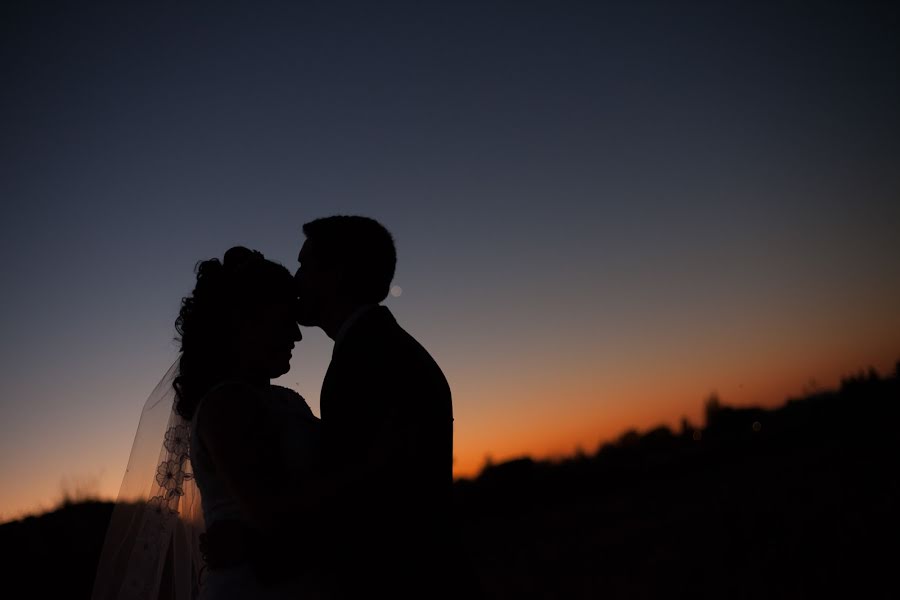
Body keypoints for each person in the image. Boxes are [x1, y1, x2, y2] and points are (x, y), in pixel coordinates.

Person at [92, 247, 321, 600]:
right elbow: (276, 519)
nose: (297, 334)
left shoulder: (288, 402)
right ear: (243, 321)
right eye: (284, 319)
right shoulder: (225, 406)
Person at [293, 216, 459, 599]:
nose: (295, 280)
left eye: (304, 265)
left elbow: (365, 501)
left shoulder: (369, 357)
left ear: (336, 274)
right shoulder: (380, 347)